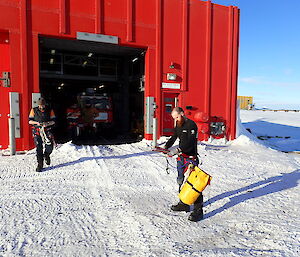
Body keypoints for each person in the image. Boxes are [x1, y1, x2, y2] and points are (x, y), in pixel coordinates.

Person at [164, 107, 203, 222]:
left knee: (194, 184)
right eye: (174, 118)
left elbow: (190, 143)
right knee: (180, 180)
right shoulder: (178, 125)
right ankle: (184, 203)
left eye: (177, 117)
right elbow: (174, 137)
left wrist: (177, 150)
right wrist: (166, 147)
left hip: (191, 157)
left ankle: (198, 211)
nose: (176, 119)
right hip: (182, 158)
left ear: (182, 114)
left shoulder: (191, 125)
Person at [29, 97, 56, 172]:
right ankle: (40, 165)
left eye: (43, 105)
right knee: (39, 147)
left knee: (50, 146)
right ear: (38, 105)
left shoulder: (50, 110)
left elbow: (54, 121)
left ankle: (47, 154)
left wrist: (47, 123)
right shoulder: (33, 110)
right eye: (40, 105)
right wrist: (37, 123)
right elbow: (30, 121)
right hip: (37, 131)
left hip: (47, 130)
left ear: (45, 104)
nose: (42, 107)